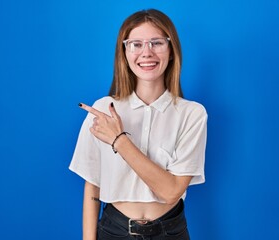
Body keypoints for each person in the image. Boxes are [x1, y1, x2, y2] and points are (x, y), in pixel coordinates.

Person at [69, 9, 207, 240]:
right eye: (136, 44)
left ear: (171, 50)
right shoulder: (103, 109)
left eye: (156, 43)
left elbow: (171, 191)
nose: (147, 53)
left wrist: (119, 140)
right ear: (124, 52)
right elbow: (92, 186)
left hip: (169, 232)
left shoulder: (192, 114)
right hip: (113, 231)